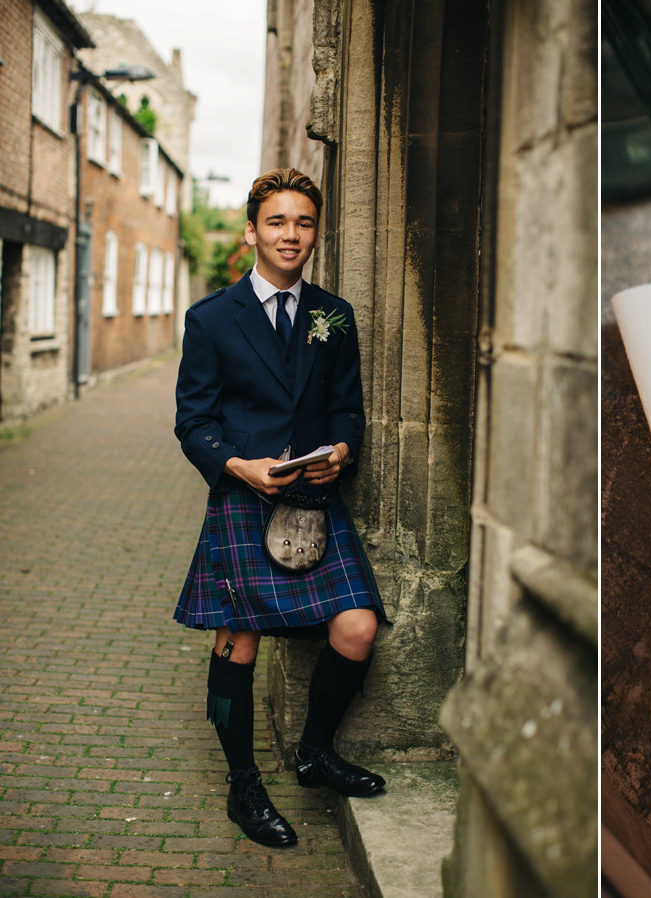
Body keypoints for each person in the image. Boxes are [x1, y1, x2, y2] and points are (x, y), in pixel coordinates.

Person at [174, 168, 387, 848]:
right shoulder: (211, 319)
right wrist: (239, 464)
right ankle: (244, 784)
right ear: (251, 232)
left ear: (314, 233)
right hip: (244, 496)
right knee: (238, 641)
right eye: (277, 221)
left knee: (357, 628)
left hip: (315, 497)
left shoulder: (335, 315)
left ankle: (314, 753)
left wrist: (344, 450)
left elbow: (348, 406)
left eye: (303, 222)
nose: (290, 234)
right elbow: (193, 420)